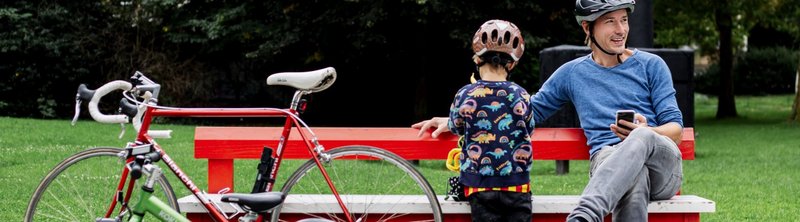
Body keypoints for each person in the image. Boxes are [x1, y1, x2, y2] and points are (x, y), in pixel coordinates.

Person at [412, 0, 685, 221]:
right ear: (587, 28)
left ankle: (583, 217)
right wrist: (455, 119)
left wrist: (645, 130)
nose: (621, 29)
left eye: (624, 20)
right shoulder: (572, 73)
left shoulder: (652, 65)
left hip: (661, 165)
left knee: (640, 139)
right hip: (608, 162)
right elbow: (527, 110)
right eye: (610, 21)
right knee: (632, 182)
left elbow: (675, 130)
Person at [447, 19, 534, 222]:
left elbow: (454, 126)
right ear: (512, 63)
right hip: (516, 184)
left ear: (477, 59)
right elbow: (529, 129)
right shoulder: (521, 95)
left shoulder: (465, 94)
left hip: (478, 184)